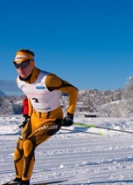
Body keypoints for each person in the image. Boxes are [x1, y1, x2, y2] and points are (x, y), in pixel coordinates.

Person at [10, 49, 78, 185]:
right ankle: (18, 179)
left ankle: (25, 181)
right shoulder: (19, 81)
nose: (20, 69)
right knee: (19, 149)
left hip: (53, 118)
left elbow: (73, 90)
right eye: (16, 65)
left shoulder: (48, 79)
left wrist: (70, 115)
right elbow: (30, 96)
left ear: (32, 63)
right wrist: (26, 117)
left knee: (29, 144)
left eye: (23, 65)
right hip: (35, 118)